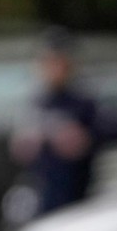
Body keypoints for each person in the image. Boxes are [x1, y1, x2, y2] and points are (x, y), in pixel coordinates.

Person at [11, 27, 106, 215]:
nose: (52, 68)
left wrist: (78, 138)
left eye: (57, 62)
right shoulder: (35, 102)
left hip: (78, 191)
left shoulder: (84, 101)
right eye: (46, 62)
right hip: (42, 193)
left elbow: (99, 137)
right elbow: (19, 151)